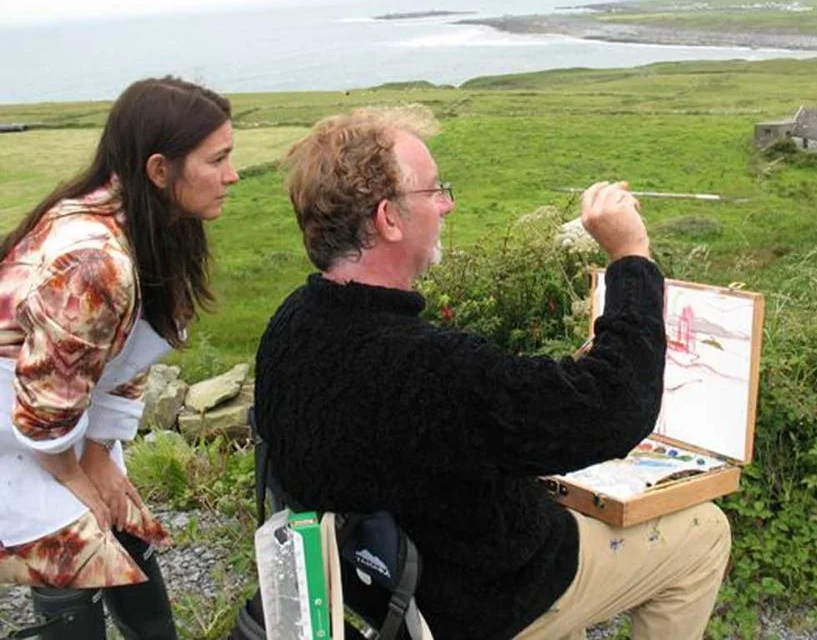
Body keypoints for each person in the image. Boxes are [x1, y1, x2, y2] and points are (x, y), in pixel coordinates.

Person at [254, 105, 730, 640]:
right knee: (704, 531)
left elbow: (439, 414)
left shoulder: (291, 325)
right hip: (488, 598)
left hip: (380, 586)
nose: (448, 205)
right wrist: (631, 257)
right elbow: (618, 409)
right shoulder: (429, 369)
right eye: (434, 191)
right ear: (388, 218)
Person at [0, 76, 239, 639]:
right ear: (160, 170)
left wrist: (101, 451)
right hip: (19, 413)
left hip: (58, 403)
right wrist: (72, 469)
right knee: (71, 545)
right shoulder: (94, 262)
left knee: (121, 517)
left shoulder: (153, 223)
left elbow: (129, 356)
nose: (232, 175)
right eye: (219, 159)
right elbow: (42, 411)